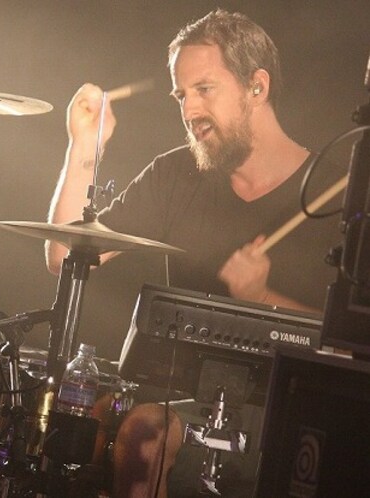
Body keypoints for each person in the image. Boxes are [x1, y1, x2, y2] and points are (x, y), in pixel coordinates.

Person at [46, 9, 341, 498]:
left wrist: (263, 299)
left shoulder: (336, 196)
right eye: (182, 95)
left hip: (293, 415)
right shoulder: (174, 174)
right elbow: (64, 255)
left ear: (257, 87)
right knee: (113, 428)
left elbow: (355, 345)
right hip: (183, 403)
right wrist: (83, 148)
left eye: (205, 89)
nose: (189, 110)